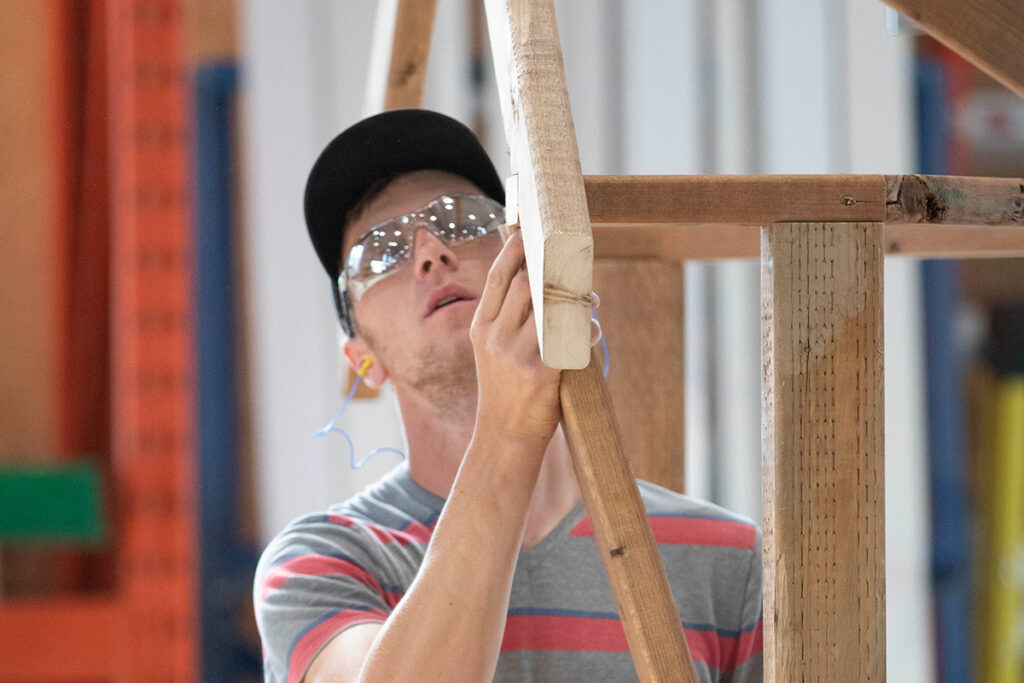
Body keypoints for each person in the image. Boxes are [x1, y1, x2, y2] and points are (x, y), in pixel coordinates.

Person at [254, 109, 762, 683]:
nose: (431, 252)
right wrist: (509, 432)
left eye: (463, 219)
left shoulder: (727, 560)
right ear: (362, 360)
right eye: (381, 252)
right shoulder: (321, 564)